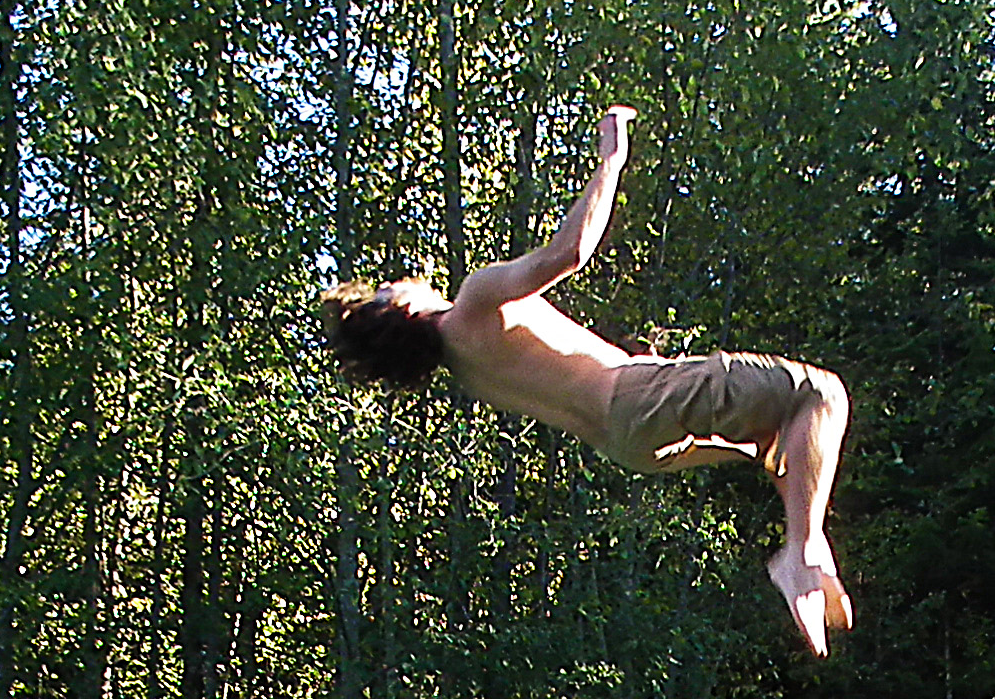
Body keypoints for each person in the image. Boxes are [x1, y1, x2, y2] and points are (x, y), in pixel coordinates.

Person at [320, 105, 855, 654]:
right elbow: (567, 253)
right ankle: (802, 552)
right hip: (635, 397)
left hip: (630, 445)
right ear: (400, 311)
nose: (394, 280)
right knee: (818, 393)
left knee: (781, 444)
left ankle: (808, 554)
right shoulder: (472, 303)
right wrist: (611, 160)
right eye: (385, 289)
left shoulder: (467, 370)